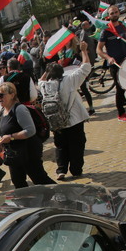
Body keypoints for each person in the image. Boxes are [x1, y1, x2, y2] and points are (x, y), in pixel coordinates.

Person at [41, 40, 93, 179]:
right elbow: (86, 67)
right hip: (74, 119)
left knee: (61, 145)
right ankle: (75, 170)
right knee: (77, 144)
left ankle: (61, 170)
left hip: (56, 121)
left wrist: (47, 71)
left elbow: (40, 81)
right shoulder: (69, 80)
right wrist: (83, 50)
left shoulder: (45, 86)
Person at [0, 82, 56, 188]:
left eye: (2, 95)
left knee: (40, 179)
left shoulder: (19, 109)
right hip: (14, 155)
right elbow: (5, 132)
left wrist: (11, 137)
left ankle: (61, 196)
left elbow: (30, 130)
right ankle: (26, 203)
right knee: (18, 182)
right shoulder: (3, 111)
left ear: (12, 95)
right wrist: (1, 144)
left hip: (28, 152)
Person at [97, 5, 126, 121]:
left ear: (119, 13)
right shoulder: (105, 31)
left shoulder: (124, 27)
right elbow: (98, 49)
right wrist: (108, 58)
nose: (114, 15)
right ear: (108, 15)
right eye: (112, 13)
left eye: (116, 12)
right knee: (120, 88)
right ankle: (121, 114)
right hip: (115, 64)